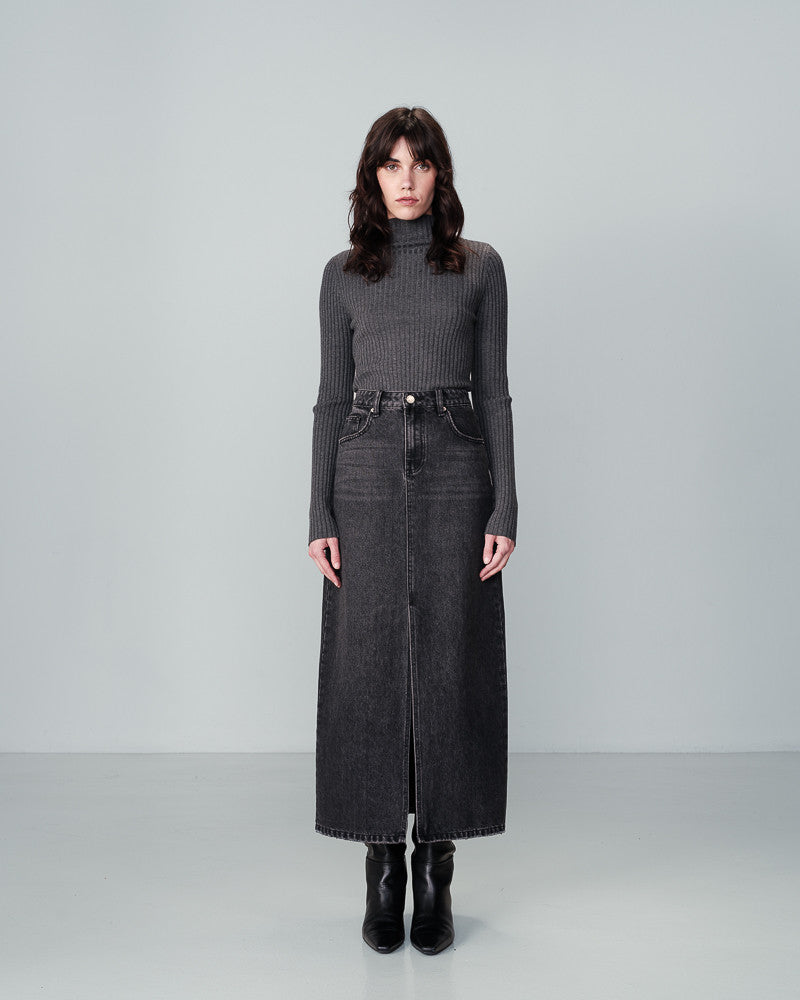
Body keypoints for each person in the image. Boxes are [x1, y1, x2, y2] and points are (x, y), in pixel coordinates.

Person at [307, 106, 518, 955]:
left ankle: (437, 861)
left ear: (440, 175)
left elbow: (495, 391)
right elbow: (330, 397)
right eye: (391, 164)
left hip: (456, 456)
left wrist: (506, 506)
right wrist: (317, 512)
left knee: (453, 650)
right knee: (366, 657)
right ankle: (380, 864)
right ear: (372, 176)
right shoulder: (342, 275)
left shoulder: (479, 267)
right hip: (362, 458)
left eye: (420, 163)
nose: (406, 179)